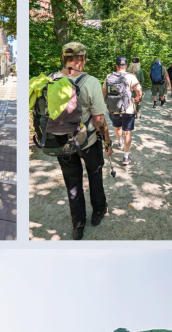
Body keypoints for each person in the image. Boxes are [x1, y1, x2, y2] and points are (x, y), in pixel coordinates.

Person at [52, 42, 113, 240]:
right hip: (87, 141)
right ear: (84, 58)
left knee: (72, 182)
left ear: (64, 58)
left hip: (61, 142)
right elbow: (99, 120)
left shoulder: (51, 80)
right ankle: (98, 211)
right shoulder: (91, 82)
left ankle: (78, 225)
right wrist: (108, 143)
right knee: (94, 174)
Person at [103, 56, 142, 166]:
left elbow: (103, 93)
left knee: (117, 127)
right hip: (128, 110)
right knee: (127, 132)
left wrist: (106, 105)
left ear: (116, 66)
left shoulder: (109, 76)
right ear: (126, 66)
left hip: (113, 109)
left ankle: (120, 142)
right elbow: (139, 92)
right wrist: (137, 98)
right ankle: (125, 157)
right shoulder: (131, 76)